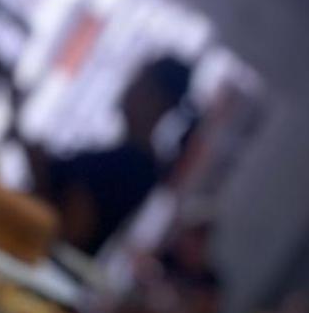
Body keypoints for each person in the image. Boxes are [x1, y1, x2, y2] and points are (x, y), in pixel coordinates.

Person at [21, 55, 193, 255]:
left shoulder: (131, 166)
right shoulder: (132, 161)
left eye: (140, 82)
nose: (129, 87)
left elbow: (69, 229)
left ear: (156, 99)